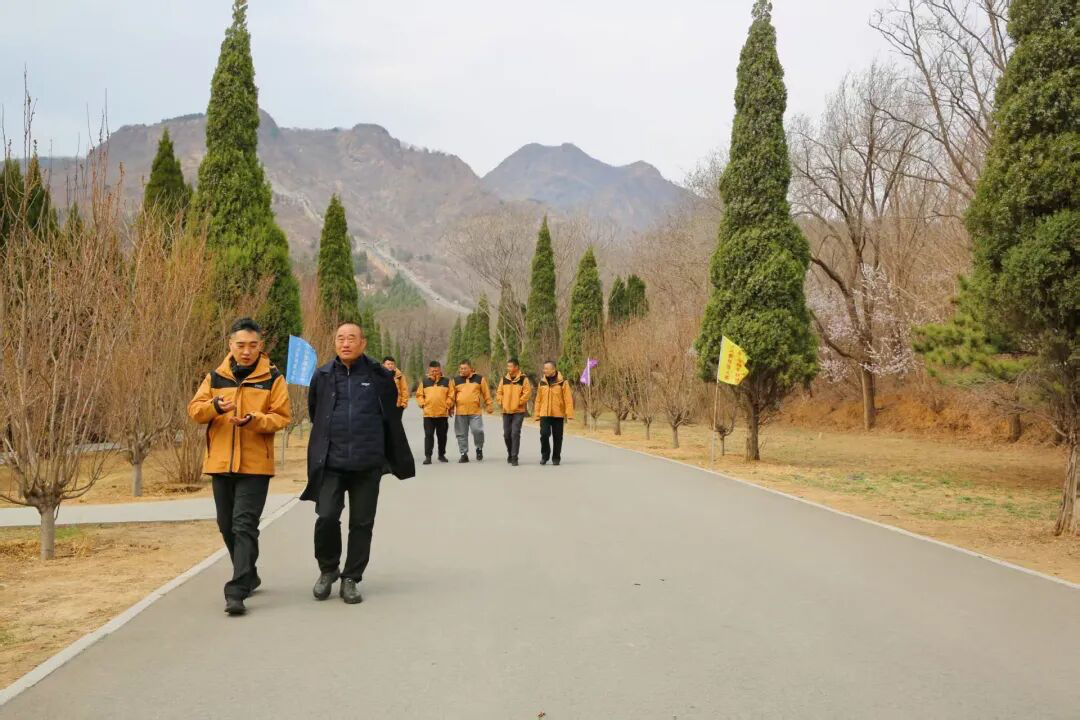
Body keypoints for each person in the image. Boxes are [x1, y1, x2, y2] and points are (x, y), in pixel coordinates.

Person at [301, 323, 414, 605]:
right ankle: (328, 569)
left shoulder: (379, 376)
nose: (345, 343)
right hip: (332, 462)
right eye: (340, 338)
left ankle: (351, 577)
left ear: (363, 343)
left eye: (351, 338)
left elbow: (389, 416)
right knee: (326, 517)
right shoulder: (323, 375)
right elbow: (316, 412)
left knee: (362, 523)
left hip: (367, 463)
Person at [188, 318, 290, 616]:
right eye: (241, 345)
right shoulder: (215, 377)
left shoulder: (272, 378)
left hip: (255, 465)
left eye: (252, 345)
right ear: (230, 345)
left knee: (244, 524)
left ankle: (237, 590)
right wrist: (215, 407)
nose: (246, 351)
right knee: (226, 524)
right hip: (220, 462)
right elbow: (195, 410)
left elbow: (282, 416)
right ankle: (249, 573)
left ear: (261, 346)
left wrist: (254, 420)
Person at [533, 360, 574, 466]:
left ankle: (556, 457)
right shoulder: (542, 382)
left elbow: (568, 399)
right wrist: (537, 414)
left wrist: (569, 414)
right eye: (544, 368)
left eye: (547, 368)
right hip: (544, 414)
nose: (544, 370)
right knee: (544, 434)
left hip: (558, 414)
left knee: (558, 437)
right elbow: (538, 400)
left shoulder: (562, 382)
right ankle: (545, 455)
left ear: (553, 369)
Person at [452, 359, 492, 463]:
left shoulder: (479, 379)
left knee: (477, 431)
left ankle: (479, 448)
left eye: (465, 368)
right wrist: (450, 408)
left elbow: (486, 393)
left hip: (475, 411)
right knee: (461, 434)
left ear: (470, 368)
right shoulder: (455, 380)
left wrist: (489, 405)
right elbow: (451, 396)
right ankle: (463, 454)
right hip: (461, 412)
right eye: (461, 368)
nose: (462, 370)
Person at [416, 360, 455, 465]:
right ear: (429, 370)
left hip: (442, 414)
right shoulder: (425, 382)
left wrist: (447, 405)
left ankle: (441, 455)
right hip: (428, 414)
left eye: (436, 371)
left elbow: (451, 395)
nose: (434, 373)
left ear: (440, 370)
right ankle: (428, 456)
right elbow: (419, 395)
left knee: (442, 436)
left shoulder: (446, 381)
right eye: (432, 371)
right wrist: (422, 404)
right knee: (429, 435)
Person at [495, 357, 532, 466]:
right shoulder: (504, 379)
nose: (508, 368)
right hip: (506, 411)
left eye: (510, 366)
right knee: (507, 434)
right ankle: (510, 453)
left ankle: (514, 456)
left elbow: (527, 393)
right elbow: (499, 392)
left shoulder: (523, 379)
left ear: (516, 367)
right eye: (508, 366)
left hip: (518, 411)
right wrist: (501, 402)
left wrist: (518, 402)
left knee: (515, 433)